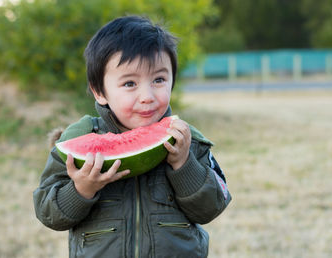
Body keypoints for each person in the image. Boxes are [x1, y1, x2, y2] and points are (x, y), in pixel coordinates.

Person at [33, 15, 231, 258]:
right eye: (129, 83)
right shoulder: (77, 139)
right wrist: (81, 190)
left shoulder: (187, 141)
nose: (147, 96)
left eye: (159, 79)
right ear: (100, 92)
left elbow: (211, 209)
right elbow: (47, 212)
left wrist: (183, 165)